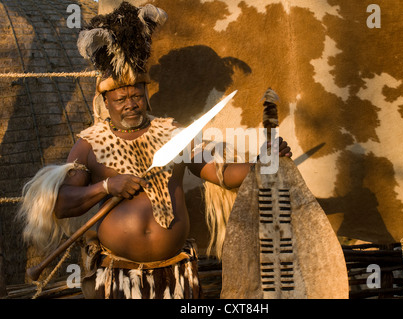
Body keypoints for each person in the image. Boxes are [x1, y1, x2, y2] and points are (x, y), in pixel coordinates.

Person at [17, 2, 292, 299]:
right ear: (106, 101)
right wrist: (107, 186)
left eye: (136, 96)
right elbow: (62, 204)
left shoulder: (173, 134)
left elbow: (220, 174)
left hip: (175, 275)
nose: (130, 104)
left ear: (146, 96)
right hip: (119, 279)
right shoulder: (89, 145)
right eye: (121, 98)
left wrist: (263, 162)